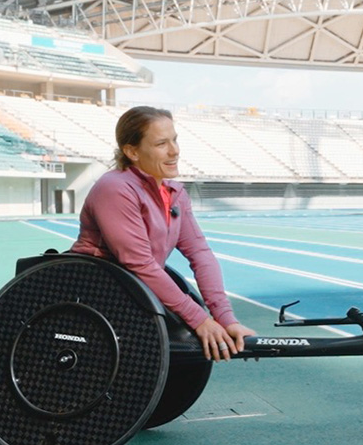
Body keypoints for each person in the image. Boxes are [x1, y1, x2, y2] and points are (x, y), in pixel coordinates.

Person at [71, 106, 254, 361]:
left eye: (174, 140)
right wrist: (200, 319)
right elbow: (139, 263)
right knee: (188, 329)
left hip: (133, 290)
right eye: (161, 143)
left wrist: (225, 318)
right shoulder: (114, 188)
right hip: (95, 291)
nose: (174, 150)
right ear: (132, 151)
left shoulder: (175, 192)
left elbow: (200, 254)